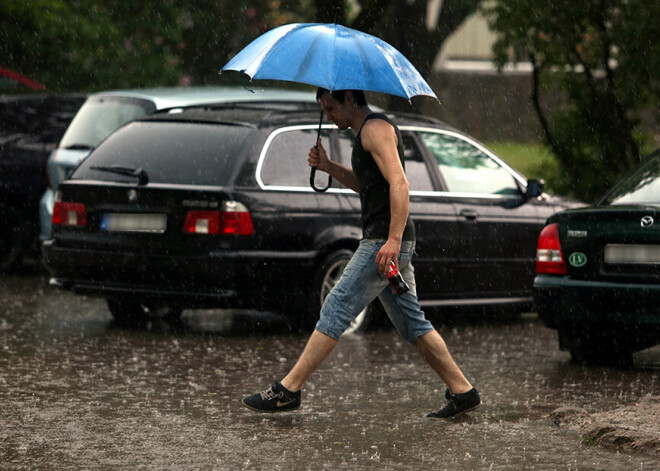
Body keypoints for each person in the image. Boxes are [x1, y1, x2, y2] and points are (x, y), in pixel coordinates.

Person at [242, 88, 480, 419]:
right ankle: (463, 391)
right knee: (412, 323)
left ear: (350, 100)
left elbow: (400, 184)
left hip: (383, 242)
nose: (328, 115)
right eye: (323, 109)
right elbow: (368, 185)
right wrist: (328, 166)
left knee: (336, 307)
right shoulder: (364, 133)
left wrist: (393, 240)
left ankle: (288, 390)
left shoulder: (375, 130)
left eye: (330, 108)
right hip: (387, 240)